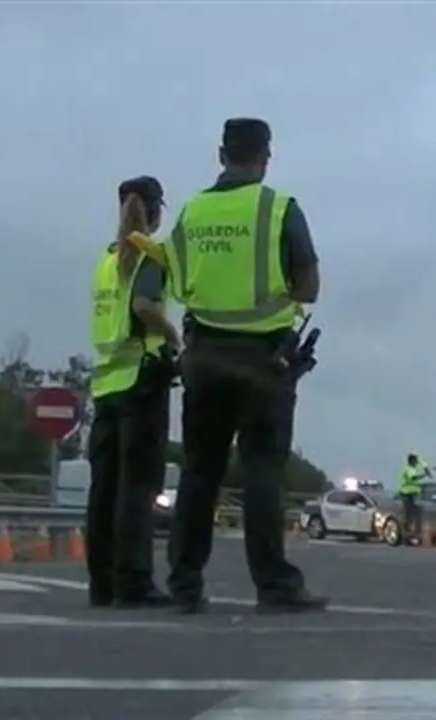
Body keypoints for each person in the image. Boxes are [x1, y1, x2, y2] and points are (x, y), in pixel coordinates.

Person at [163, 117, 328, 615]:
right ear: (266, 156)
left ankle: (184, 584)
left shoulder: (191, 212)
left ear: (221, 155)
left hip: (205, 355)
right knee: (262, 471)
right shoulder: (278, 208)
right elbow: (310, 287)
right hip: (263, 360)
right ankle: (274, 585)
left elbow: (176, 279)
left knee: (199, 473)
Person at [85, 176, 182, 608]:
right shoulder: (149, 257)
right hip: (142, 379)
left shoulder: (106, 261)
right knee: (137, 489)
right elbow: (144, 307)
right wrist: (173, 335)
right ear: (157, 210)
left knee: (103, 489)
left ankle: (101, 582)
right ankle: (134, 581)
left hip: (105, 383)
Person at [398, 453, 429, 545]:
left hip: (412, 495)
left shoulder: (411, 469)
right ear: (412, 461)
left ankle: (412, 537)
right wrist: (424, 475)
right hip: (408, 495)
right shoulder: (409, 469)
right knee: (409, 517)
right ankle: (407, 538)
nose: (417, 463)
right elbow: (414, 478)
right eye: (416, 461)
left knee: (413, 516)